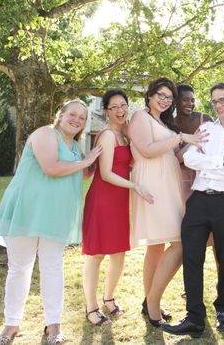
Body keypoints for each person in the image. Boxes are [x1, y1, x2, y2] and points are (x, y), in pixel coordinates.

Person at [0, 100, 103, 345]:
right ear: (60, 115)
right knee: (19, 269)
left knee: (53, 268)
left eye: (82, 118)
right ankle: (11, 325)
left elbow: (82, 173)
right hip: (26, 211)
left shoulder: (74, 145)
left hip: (55, 215)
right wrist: (85, 162)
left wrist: (98, 158)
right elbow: (51, 168)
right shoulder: (44, 134)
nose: (77, 120)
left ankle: (53, 326)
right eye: (72, 114)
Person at [162, 83, 224, 338]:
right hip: (199, 200)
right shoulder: (205, 129)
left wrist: (207, 165)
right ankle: (194, 317)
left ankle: (223, 307)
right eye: (214, 101)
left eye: (223, 99)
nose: (218, 105)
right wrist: (219, 161)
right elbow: (190, 159)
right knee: (191, 256)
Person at [127, 77, 204, 328]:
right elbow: (148, 150)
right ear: (149, 95)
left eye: (169, 97)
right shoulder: (140, 117)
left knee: (157, 247)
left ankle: (151, 302)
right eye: (161, 95)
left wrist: (194, 142)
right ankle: (152, 303)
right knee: (179, 242)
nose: (165, 100)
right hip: (152, 183)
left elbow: (172, 156)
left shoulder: (163, 122)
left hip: (169, 183)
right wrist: (181, 136)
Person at [82, 90, 149, 325]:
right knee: (97, 254)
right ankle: (91, 308)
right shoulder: (108, 135)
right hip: (103, 199)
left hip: (120, 201)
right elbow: (106, 173)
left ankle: (109, 298)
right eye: (114, 107)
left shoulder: (125, 135)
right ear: (105, 111)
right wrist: (135, 185)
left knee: (119, 253)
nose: (120, 111)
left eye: (124, 105)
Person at [173, 84, 212, 202]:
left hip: (203, 177)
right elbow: (174, 158)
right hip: (181, 178)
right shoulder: (171, 125)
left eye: (192, 100)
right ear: (175, 101)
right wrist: (193, 141)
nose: (190, 103)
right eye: (185, 100)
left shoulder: (205, 119)